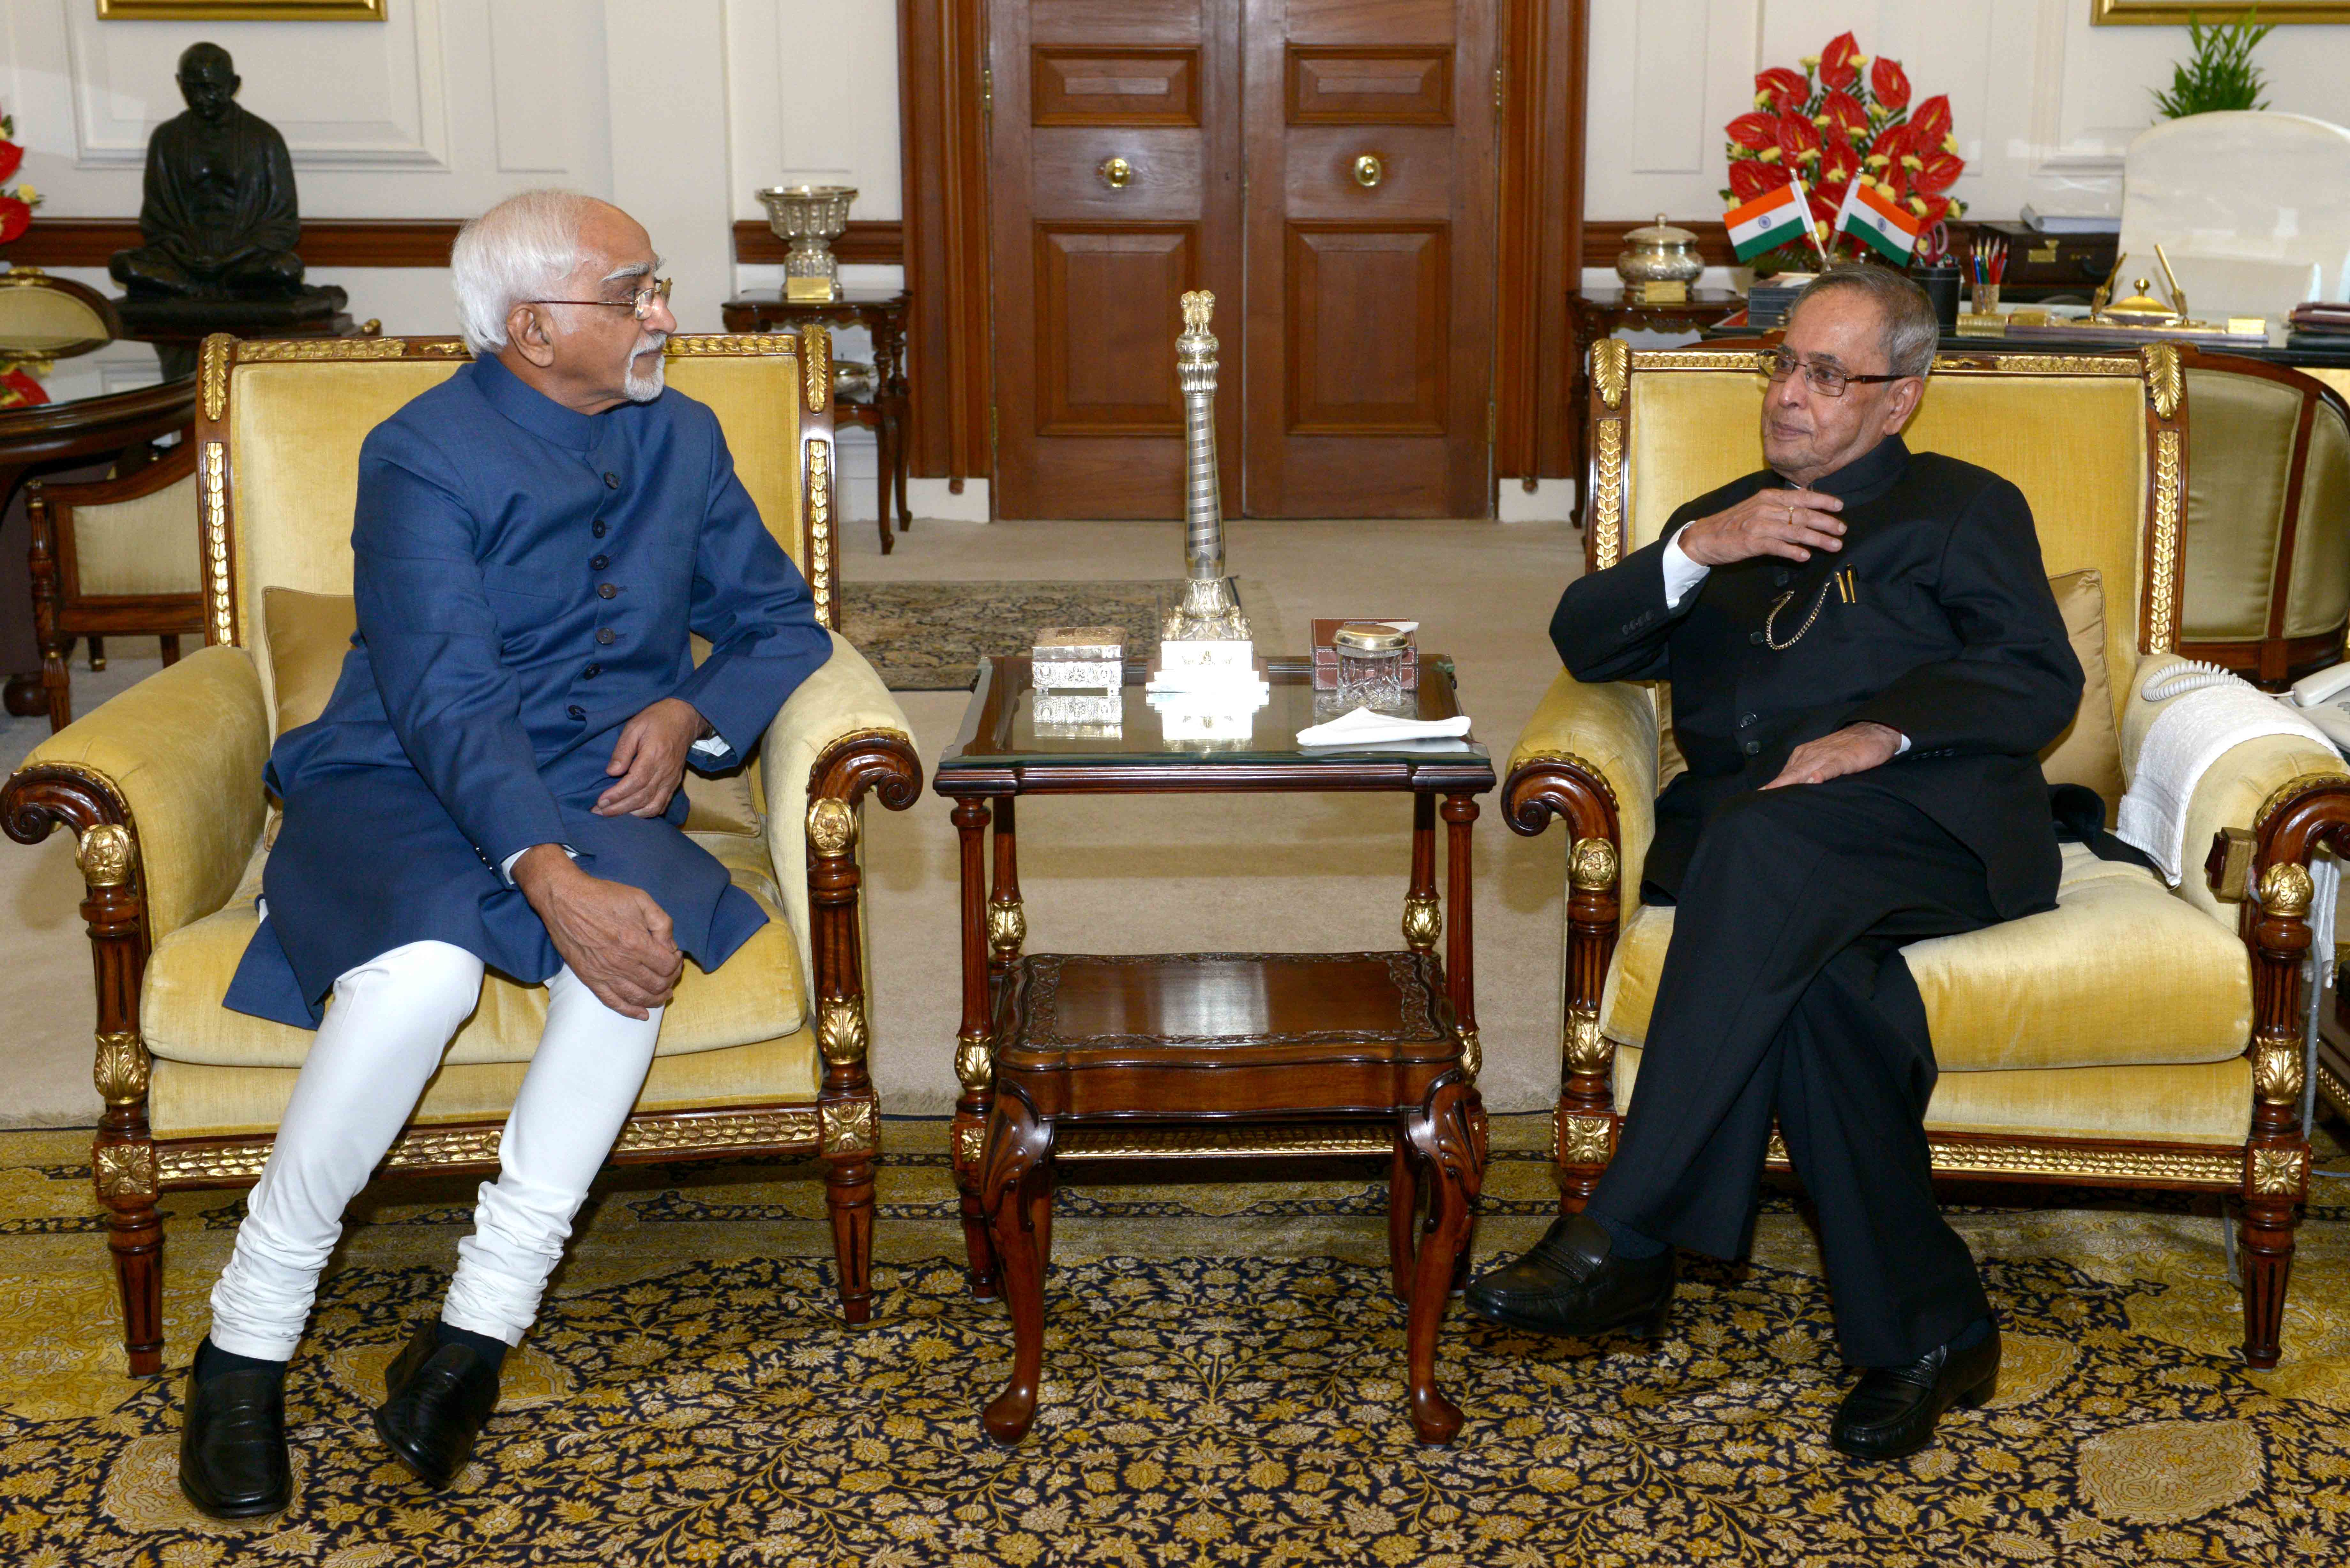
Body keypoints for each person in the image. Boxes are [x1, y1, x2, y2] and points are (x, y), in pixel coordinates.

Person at [176, 190, 833, 1519]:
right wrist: (549, 871)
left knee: (631, 958)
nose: (664, 315)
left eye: (656, 287)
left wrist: (689, 710)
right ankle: (246, 1338)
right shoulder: (421, 454)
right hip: (399, 776)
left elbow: (779, 623)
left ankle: (476, 1330)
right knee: (417, 977)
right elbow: (444, 695)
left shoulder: (683, 438)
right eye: (634, 293)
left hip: (597, 775)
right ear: (533, 328)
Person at [1466, 266, 2083, 1460]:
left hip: (1934, 822)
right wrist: (1702, 544)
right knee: (1821, 995)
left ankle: (1628, 1234)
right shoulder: (1727, 519)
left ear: (1896, 400)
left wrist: (1881, 731)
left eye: (1825, 374)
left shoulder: (1963, 507)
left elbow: (2035, 678)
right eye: (1782, 364)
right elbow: (1584, 637)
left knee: (1761, 852)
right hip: (1765, 851)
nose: (1789, 394)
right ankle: (1928, 1332)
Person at [110, 42, 305, 297]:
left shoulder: (264, 139)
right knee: (122, 264)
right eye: (191, 89)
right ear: (179, 83)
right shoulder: (166, 138)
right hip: (184, 260)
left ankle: (200, 288)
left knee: (286, 268)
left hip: (243, 259)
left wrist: (229, 259)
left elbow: (282, 222)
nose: (201, 99)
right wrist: (183, 255)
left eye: (211, 89)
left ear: (233, 85)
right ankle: (198, 288)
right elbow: (157, 219)